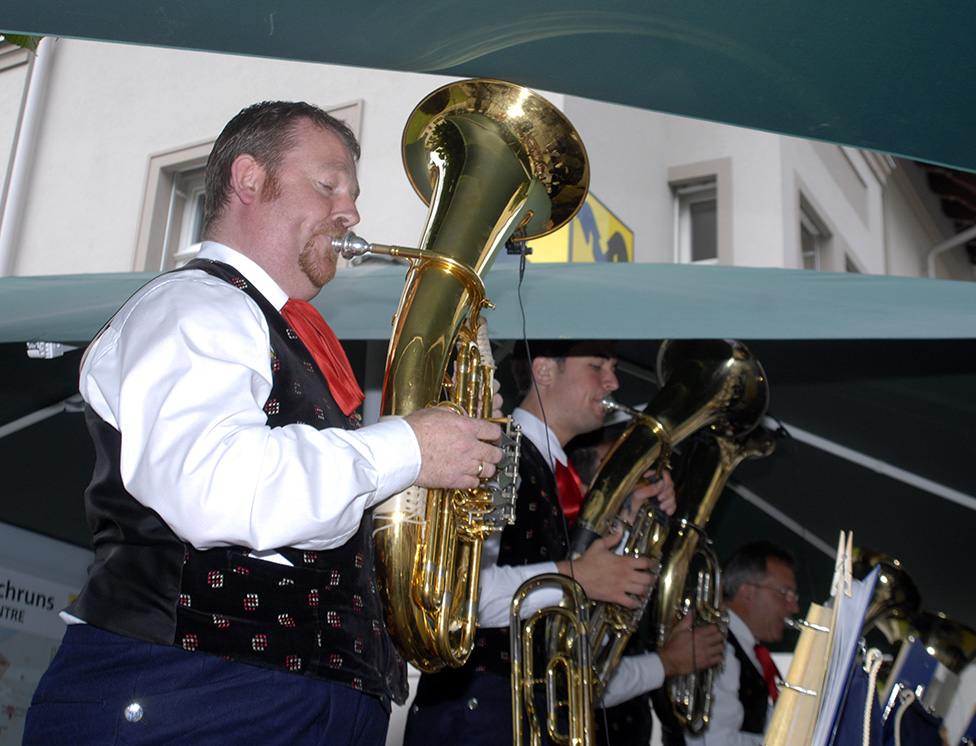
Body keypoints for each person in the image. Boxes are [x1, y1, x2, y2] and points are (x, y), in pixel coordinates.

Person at [23, 101, 505, 746]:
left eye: (354, 196)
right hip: (191, 692)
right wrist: (408, 446)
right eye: (328, 185)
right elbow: (219, 488)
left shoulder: (282, 334)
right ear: (249, 179)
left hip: (279, 700)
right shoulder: (193, 305)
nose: (351, 213)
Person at [403, 339, 723, 746]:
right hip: (479, 714)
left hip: (526, 713)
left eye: (613, 369)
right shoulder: (496, 451)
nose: (613, 383)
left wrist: (627, 521)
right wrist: (577, 578)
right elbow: (463, 596)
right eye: (597, 366)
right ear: (544, 371)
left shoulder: (559, 470)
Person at [664, 540, 799, 746]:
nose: (794, 607)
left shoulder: (746, 651)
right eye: (785, 594)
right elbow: (715, 742)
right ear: (747, 592)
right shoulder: (714, 645)